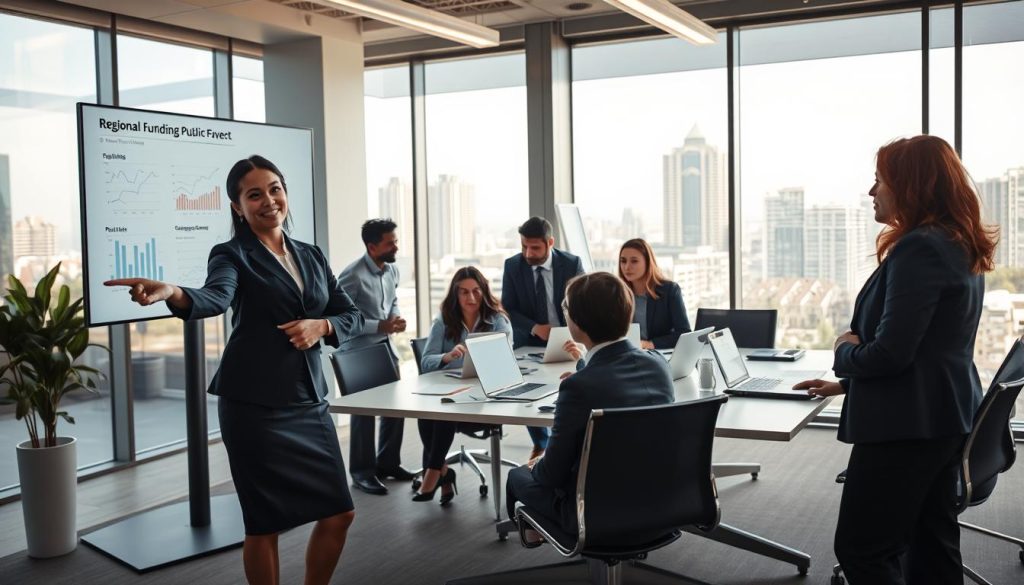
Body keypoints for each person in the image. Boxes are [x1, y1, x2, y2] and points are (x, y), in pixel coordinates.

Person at [106, 155, 363, 585]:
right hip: (254, 407)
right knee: (263, 523)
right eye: (254, 194)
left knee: (340, 513)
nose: (269, 200)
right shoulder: (231, 254)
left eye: (275, 188)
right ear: (237, 207)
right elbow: (214, 297)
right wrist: (172, 291)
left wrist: (323, 325)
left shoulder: (311, 255)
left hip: (309, 403)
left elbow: (350, 314)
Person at [793, 136, 997, 585]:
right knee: (930, 544)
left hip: (905, 427)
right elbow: (929, 348)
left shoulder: (919, 248)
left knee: (863, 550)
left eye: (879, 181)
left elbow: (891, 353)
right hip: (943, 417)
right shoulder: (956, 241)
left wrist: (843, 353)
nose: (871, 192)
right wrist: (845, 384)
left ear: (911, 185)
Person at [505, 272, 675, 535]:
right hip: (659, 500)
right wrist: (585, 365)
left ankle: (546, 531)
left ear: (578, 322)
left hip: (593, 512)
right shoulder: (658, 364)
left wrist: (536, 464)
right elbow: (614, 374)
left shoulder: (578, 387)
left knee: (517, 476)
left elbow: (551, 474)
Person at [416, 266, 513, 504]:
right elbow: (426, 361)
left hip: (485, 402)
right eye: (464, 292)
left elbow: (506, 361)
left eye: (476, 291)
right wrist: (447, 357)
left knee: (443, 413)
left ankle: (435, 473)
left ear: (484, 292)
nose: (471, 298)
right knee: (428, 413)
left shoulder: (497, 321)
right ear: (455, 295)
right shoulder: (443, 322)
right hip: (451, 391)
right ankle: (442, 472)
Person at [338, 218, 413, 495]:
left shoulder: (392, 270)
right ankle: (362, 473)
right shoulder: (353, 275)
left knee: (395, 408)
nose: (396, 246)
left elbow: (392, 299)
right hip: (357, 352)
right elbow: (341, 317)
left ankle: (388, 463)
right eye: (390, 242)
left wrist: (394, 317)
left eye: (395, 240)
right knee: (364, 413)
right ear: (371, 246)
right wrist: (378, 325)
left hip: (385, 347)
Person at [501, 216, 585, 459]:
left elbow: (581, 302)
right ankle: (540, 443)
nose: (528, 253)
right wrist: (535, 327)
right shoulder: (513, 266)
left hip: (568, 339)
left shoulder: (571, 264)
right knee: (528, 391)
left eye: (535, 247)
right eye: (524, 246)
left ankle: (565, 444)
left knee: (568, 385)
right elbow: (508, 308)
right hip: (530, 340)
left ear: (550, 242)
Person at [617, 238, 691, 349]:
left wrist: (650, 344)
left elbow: (684, 333)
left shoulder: (670, 290)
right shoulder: (617, 293)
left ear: (648, 262)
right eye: (623, 261)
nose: (627, 267)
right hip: (627, 355)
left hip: (659, 355)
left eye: (634, 261)